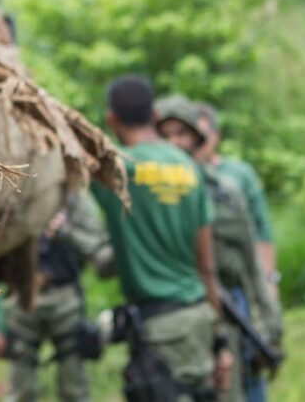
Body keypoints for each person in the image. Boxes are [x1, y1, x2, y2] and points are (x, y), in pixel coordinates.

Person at [89, 76, 231, 399]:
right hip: (198, 319)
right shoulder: (189, 167)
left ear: (112, 118)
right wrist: (219, 337)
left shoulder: (115, 170)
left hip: (158, 331)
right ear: (154, 113)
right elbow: (206, 265)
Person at [157, 97, 281, 402]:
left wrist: (270, 317)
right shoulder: (149, 191)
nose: (173, 143)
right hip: (172, 316)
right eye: (166, 134)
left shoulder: (226, 192)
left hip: (227, 306)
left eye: (181, 133)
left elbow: (251, 256)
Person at [1, 192, 114, 401]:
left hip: (65, 298)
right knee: (20, 387)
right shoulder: (18, 193)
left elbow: (100, 252)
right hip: (23, 298)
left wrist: (66, 232)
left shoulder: (76, 200)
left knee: (74, 385)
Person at [193, 102, 279, 299]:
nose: (195, 142)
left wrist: (270, 280)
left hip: (241, 278)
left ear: (216, 136)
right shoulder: (183, 176)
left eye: (202, 136)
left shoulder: (240, 173)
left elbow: (261, 229)